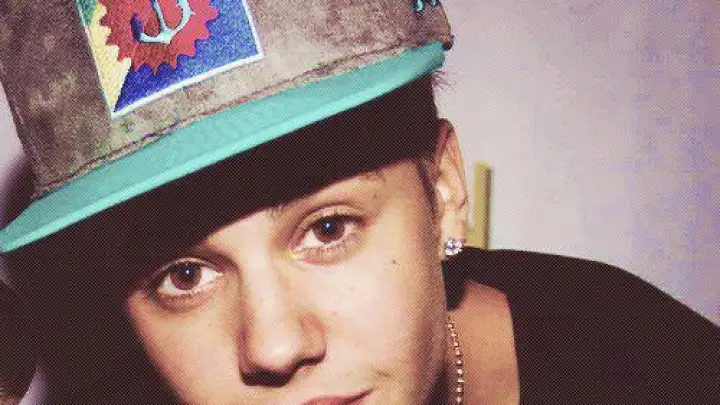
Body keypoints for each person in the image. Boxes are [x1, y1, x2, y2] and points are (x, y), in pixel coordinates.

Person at [0, 1, 717, 404]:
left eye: (328, 228)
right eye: (184, 275)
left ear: (445, 191)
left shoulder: (657, 371)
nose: (274, 346)